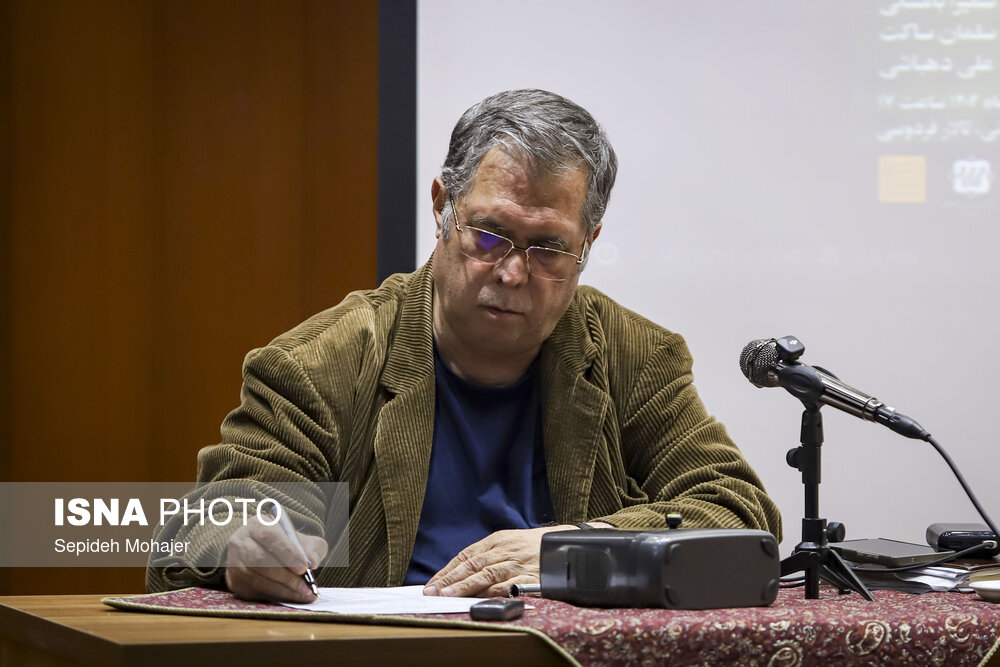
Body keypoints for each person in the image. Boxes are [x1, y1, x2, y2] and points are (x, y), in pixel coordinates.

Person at [146, 89, 781, 602]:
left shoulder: (632, 359)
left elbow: (738, 512)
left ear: (588, 244)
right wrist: (246, 547)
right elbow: (203, 529)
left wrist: (575, 548)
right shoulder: (323, 364)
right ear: (442, 207)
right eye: (490, 234)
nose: (512, 272)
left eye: (549, 247)